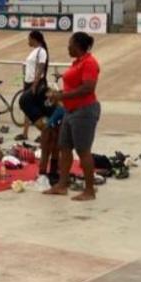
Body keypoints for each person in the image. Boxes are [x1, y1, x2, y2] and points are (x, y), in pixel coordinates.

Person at [43, 32, 100, 201]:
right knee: (64, 147)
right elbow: (73, 87)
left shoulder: (89, 63)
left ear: (78, 46)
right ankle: (62, 184)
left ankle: (89, 190)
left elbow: (88, 88)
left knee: (83, 151)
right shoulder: (77, 62)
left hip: (85, 111)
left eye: (70, 44)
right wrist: (59, 94)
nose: (68, 47)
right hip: (71, 111)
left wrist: (61, 96)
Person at [17, 31, 49, 142]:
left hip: (35, 84)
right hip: (29, 83)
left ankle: (44, 133)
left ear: (35, 39)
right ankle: (25, 133)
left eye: (29, 39)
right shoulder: (34, 51)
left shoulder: (41, 51)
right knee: (27, 109)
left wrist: (35, 84)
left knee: (39, 110)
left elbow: (41, 68)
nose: (28, 41)